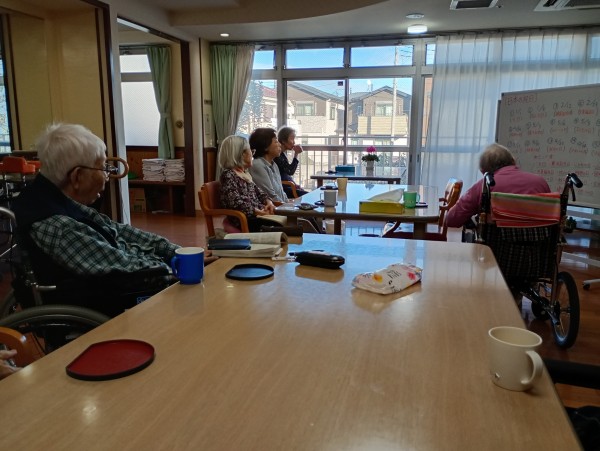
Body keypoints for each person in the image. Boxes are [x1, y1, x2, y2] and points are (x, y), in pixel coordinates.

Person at [11, 123, 212, 317]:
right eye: (103, 168)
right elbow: (124, 269)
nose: (107, 176)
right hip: (103, 299)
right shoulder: (58, 226)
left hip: (113, 285)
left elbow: (120, 231)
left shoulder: (60, 201)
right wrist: (173, 269)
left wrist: (174, 252)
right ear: (77, 177)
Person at [446, 143, 550, 228]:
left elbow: (451, 220)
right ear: (513, 161)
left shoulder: (484, 186)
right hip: (537, 246)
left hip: (492, 247)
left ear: (483, 171)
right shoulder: (540, 183)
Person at [219, 135, 283, 232]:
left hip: (257, 215)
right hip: (246, 219)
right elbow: (236, 203)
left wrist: (268, 202)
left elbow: (259, 193)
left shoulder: (244, 173)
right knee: (288, 226)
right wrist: (259, 212)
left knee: (294, 221)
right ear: (241, 154)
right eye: (251, 151)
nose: (252, 155)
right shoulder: (228, 175)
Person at [248, 128, 289, 203]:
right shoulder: (257, 165)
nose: (280, 145)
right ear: (265, 147)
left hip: (281, 206)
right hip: (271, 208)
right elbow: (270, 196)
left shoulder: (274, 164)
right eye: (276, 142)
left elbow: (281, 192)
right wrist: (286, 207)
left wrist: (289, 204)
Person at [275, 126, 308, 197]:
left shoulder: (281, 154)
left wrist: (294, 184)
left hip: (288, 186)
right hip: (284, 189)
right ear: (283, 141)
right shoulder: (277, 155)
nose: (294, 142)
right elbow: (290, 171)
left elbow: (287, 173)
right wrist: (296, 154)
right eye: (292, 138)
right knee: (309, 196)